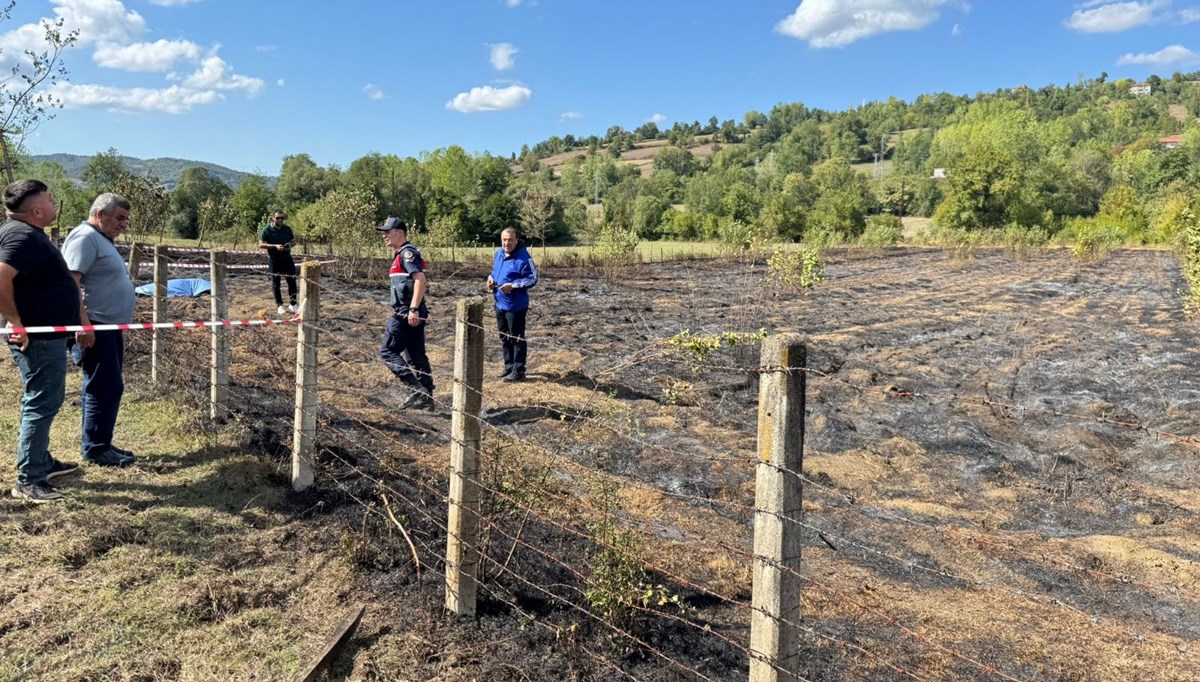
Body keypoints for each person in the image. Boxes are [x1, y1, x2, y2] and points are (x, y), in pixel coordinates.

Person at [0, 180, 84, 503]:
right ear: (36, 210)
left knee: (39, 398)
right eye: (49, 199)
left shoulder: (23, 234)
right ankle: (30, 479)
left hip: (45, 334)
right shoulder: (21, 236)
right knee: (43, 400)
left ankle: (40, 461)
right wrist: (17, 322)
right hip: (38, 337)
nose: (53, 202)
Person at [61, 193, 138, 467]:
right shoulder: (85, 238)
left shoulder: (100, 239)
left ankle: (99, 443)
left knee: (105, 385)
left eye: (126, 219)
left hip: (107, 327)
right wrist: (83, 324)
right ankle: (95, 448)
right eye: (119, 218)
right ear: (99, 214)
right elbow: (71, 282)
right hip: (95, 326)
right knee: (104, 387)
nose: (123, 224)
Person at [376, 217, 434, 410]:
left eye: (388, 232)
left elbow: (420, 280)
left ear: (399, 232)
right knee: (416, 355)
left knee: (387, 351)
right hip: (411, 311)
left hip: (406, 312)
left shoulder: (407, 253)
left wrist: (413, 309)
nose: (384, 236)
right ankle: (426, 401)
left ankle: (416, 390)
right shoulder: (401, 254)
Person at [486, 227, 538, 382]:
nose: (506, 243)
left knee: (517, 338)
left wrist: (513, 285)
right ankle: (508, 367)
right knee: (504, 337)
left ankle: (519, 370)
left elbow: (533, 279)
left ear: (516, 240)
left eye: (510, 240)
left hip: (516, 306)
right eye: (504, 240)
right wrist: (490, 280)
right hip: (500, 303)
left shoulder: (524, 258)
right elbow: (494, 272)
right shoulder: (499, 254)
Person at [259, 211, 297, 315]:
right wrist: (275, 246)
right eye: (278, 218)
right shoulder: (266, 230)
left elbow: (294, 241)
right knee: (276, 283)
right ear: (272, 218)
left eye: (282, 218)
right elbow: (261, 245)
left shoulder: (287, 229)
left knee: (292, 281)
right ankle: (280, 305)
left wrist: (289, 245)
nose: (280, 220)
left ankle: (293, 304)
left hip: (287, 258)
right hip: (274, 260)